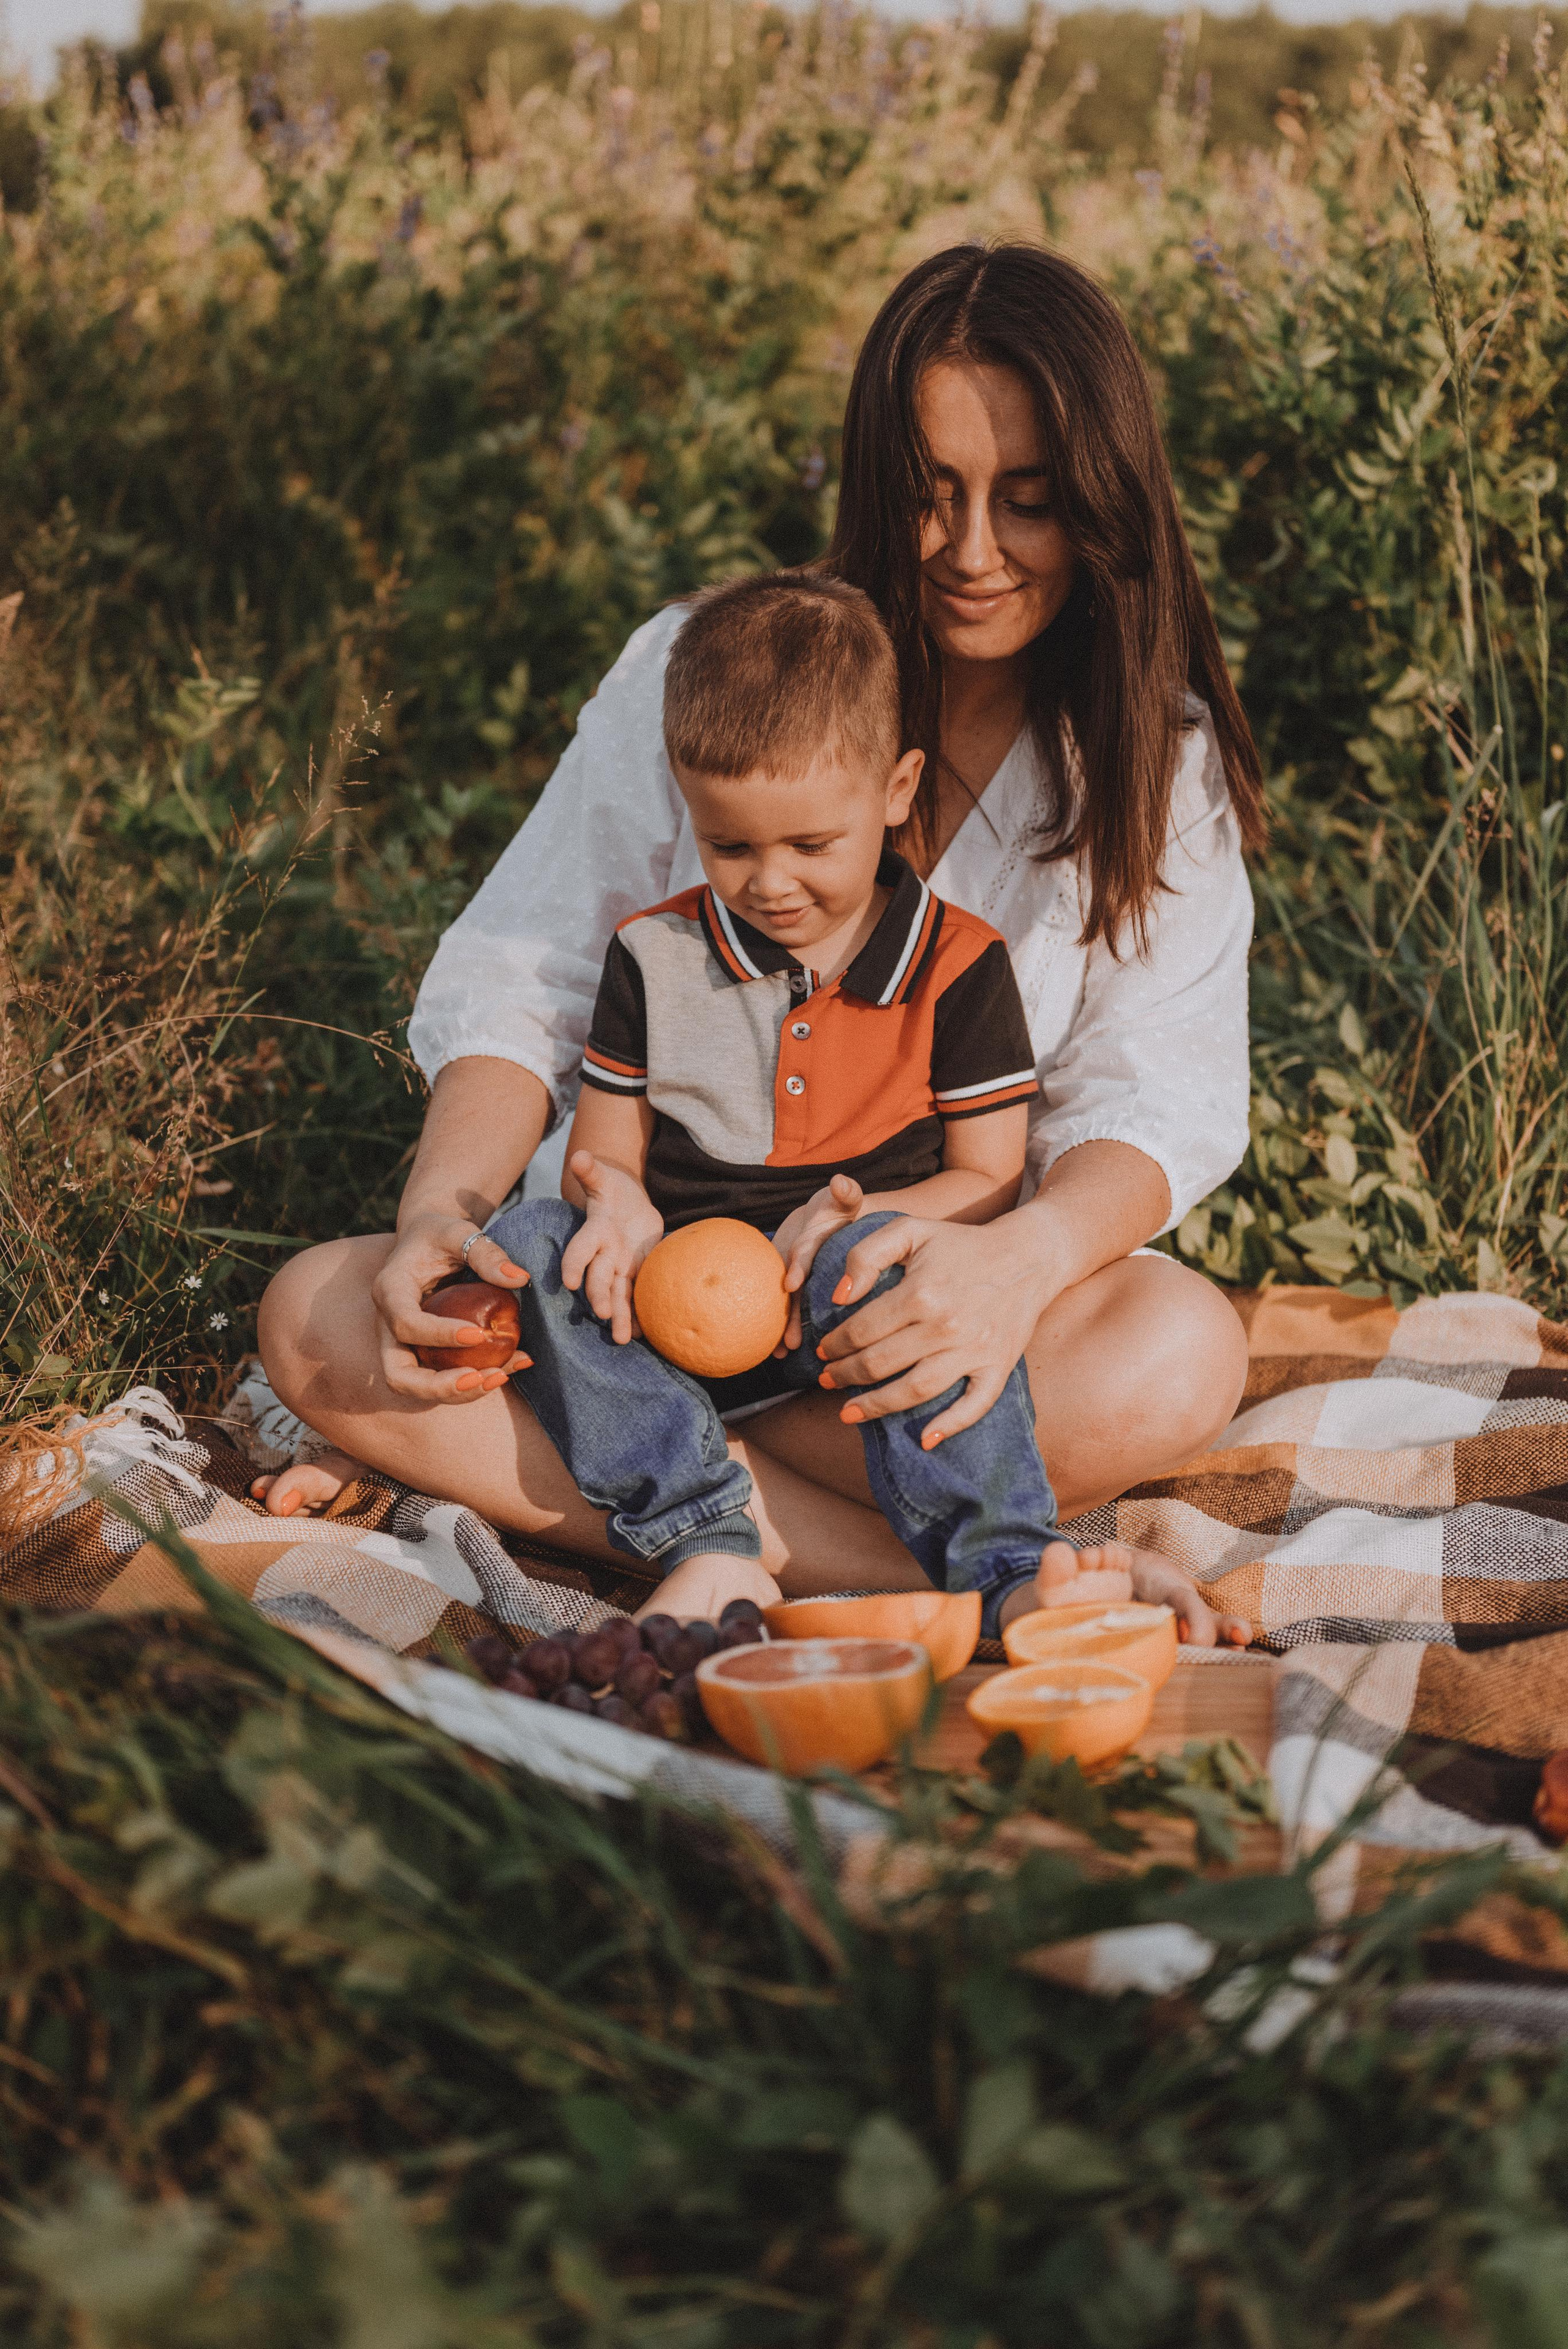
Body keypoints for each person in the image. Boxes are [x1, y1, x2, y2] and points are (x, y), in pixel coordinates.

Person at [255, 241, 1263, 1644]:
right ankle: (930, 1572)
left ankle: (678, 1508)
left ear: (1103, 501)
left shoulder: (1153, 766)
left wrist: (1013, 1265)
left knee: (1173, 1352)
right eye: (932, 495)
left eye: (1026, 503)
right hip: (629, 1297)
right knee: (316, 1313)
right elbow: (525, 978)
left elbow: (1154, 1096)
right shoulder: (701, 671)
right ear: (871, 479)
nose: (973, 553)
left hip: (895, 1328)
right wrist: (443, 1210)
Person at [270, 573, 1121, 1640]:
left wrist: (883, 1226)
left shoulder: (959, 964)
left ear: (898, 788)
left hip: (835, 1276)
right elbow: (605, 1154)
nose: (770, 883)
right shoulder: (654, 952)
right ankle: (711, 1537)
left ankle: (1008, 1567)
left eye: (811, 846)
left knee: (930, 1300)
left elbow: (989, 1176)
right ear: (689, 806)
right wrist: (614, 1205)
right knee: (534, 1244)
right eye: (731, 847)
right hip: (672, 1289)